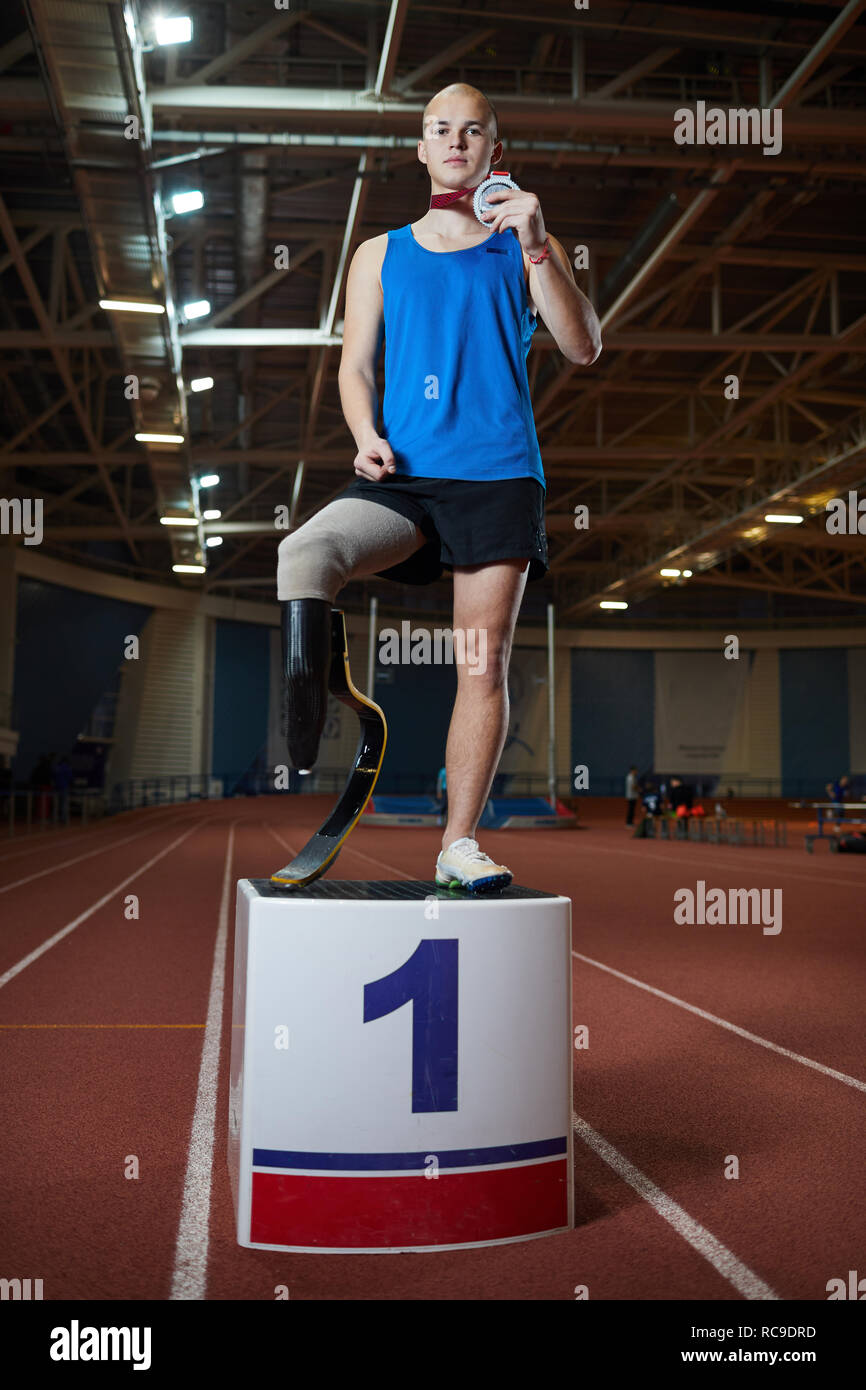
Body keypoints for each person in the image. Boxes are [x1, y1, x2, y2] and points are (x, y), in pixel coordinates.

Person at [276, 83, 601, 891]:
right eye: (440, 130)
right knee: (305, 551)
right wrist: (365, 439)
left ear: (496, 149)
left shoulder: (530, 244)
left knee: (479, 666)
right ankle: (316, 703)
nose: (456, 141)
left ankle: (458, 843)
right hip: (405, 479)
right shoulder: (379, 254)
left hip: (496, 481)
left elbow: (583, 344)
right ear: (421, 149)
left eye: (473, 131)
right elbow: (353, 368)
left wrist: (533, 240)